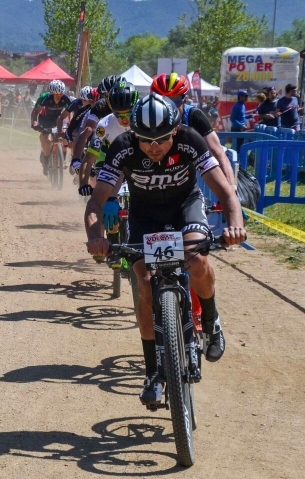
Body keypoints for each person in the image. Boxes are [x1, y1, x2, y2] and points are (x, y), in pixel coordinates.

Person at [84, 93, 246, 405]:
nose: (153, 147)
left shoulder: (190, 140)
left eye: (160, 139)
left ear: (174, 131)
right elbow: (96, 201)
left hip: (185, 207)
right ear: (134, 134)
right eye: (145, 140)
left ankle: (210, 321)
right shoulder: (122, 148)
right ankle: (152, 372)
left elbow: (225, 192)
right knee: (145, 284)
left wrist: (234, 225)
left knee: (196, 259)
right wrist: (96, 237)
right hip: (145, 216)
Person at [151, 73, 236, 187]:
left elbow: (218, 153)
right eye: (163, 101)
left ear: (185, 99)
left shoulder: (194, 116)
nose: (169, 107)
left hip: (187, 177)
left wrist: (232, 189)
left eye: (175, 101)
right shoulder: (145, 117)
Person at [78, 81, 138, 195]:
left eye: (129, 114)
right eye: (119, 115)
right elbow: (89, 158)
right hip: (113, 157)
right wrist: (83, 184)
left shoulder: (144, 118)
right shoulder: (104, 125)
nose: (124, 119)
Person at [31, 80, 70, 174]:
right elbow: (35, 112)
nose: (58, 97)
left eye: (60, 94)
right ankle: (46, 161)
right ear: (51, 93)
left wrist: (70, 125)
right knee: (48, 140)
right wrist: (34, 123)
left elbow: (70, 112)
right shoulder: (45, 97)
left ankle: (62, 160)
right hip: (45, 119)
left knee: (65, 138)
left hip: (58, 119)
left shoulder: (66, 99)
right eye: (56, 94)